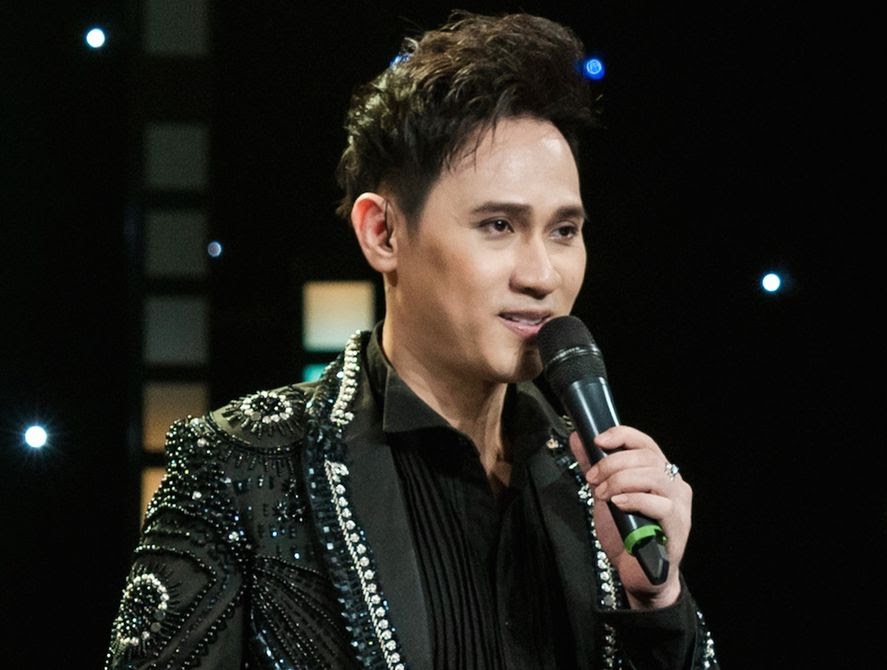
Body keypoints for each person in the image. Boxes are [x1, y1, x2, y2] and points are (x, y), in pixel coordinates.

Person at [105, 10, 719, 669]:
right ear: (383, 233)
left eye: (564, 231)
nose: (543, 274)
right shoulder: (240, 467)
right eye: (498, 225)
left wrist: (657, 604)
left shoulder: (599, 490)